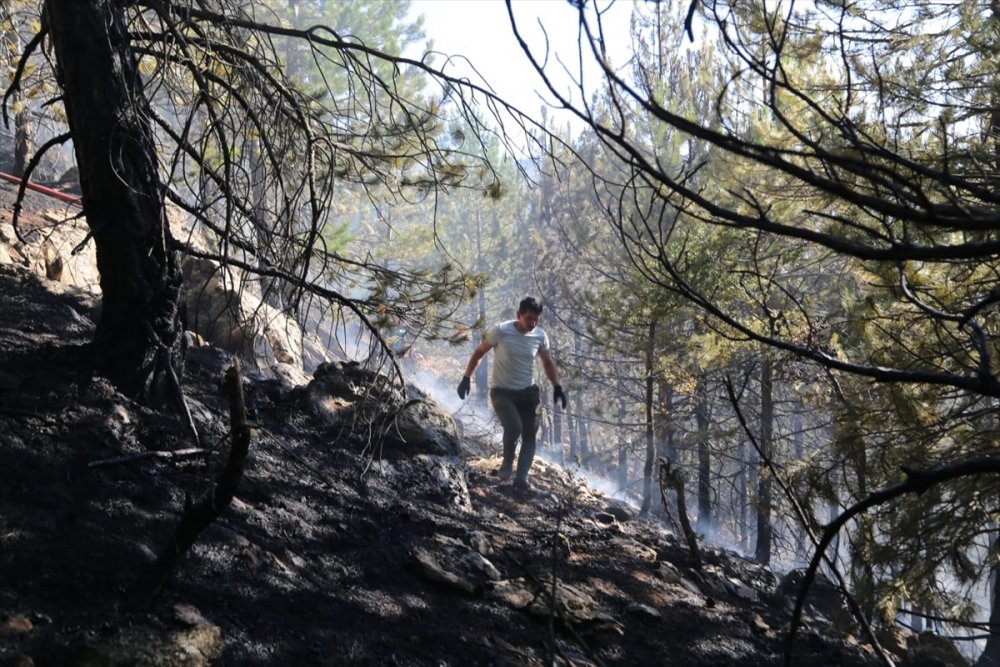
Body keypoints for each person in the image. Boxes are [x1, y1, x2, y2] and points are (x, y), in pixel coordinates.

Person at [457, 297, 567, 490]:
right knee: (514, 427)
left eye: (536, 320)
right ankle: (507, 464)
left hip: (528, 393)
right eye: (529, 318)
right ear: (519, 315)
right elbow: (479, 352)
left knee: (530, 434)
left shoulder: (540, 336)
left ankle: (521, 479)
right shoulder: (501, 330)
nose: (532, 324)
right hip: (502, 392)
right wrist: (466, 377)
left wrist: (557, 386)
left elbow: (548, 363)